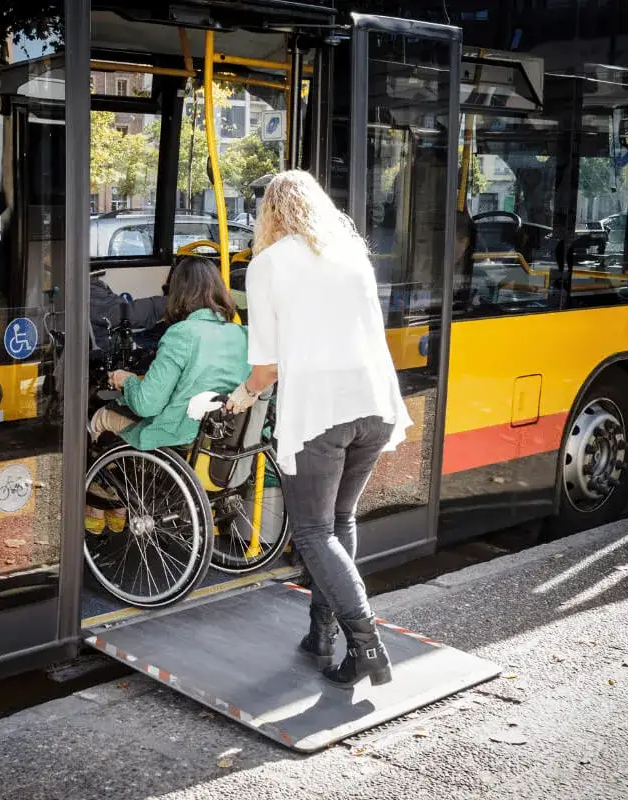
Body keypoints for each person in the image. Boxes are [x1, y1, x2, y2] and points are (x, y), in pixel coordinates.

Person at [226, 170, 412, 689]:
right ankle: (322, 634)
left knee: (311, 530)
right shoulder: (353, 257)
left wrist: (241, 397)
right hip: (375, 403)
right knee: (339, 519)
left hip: (321, 414)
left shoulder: (266, 266)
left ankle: (367, 645)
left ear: (271, 214)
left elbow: (267, 368)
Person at [86, 256, 249, 533]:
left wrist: (126, 381)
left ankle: (101, 502)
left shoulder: (180, 335)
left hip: (177, 433)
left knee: (100, 417)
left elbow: (146, 404)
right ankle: (117, 502)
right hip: (218, 437)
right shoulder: (240, 333)